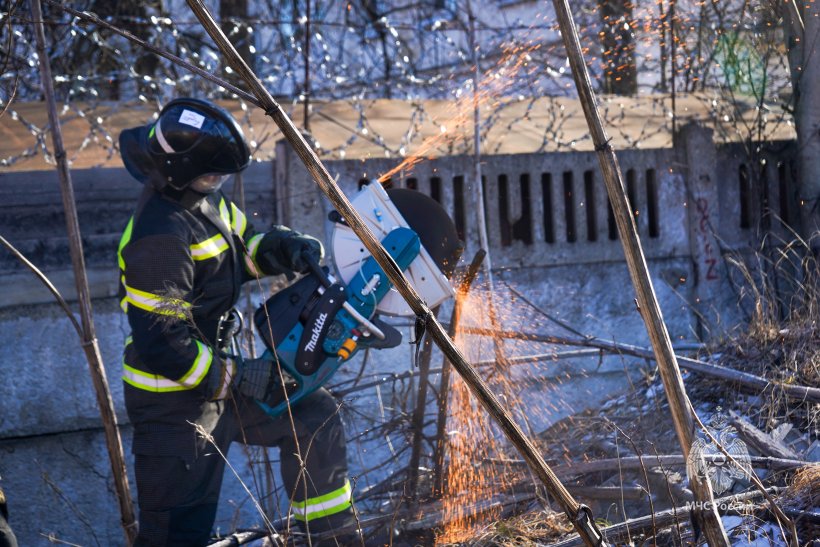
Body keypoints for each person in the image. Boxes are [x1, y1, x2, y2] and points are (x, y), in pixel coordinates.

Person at [118, 97, 357, 546]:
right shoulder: (159, 238)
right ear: (179, 169)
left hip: (222, 384)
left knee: (314, 415)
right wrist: (240, 376)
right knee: (178, 532)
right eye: (212, 175)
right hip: (174, 404)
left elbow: (241, 245)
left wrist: (282, 248)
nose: (219, 182)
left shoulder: (201, 199)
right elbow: (164, 342)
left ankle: (332, 537)